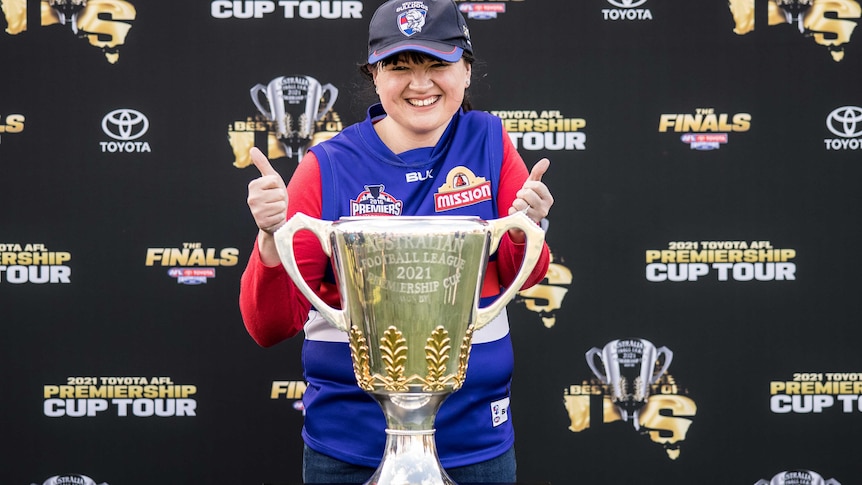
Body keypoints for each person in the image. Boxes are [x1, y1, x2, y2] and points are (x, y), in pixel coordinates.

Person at [240, 0, 554, 482]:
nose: (420, 83)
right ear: (375, 76)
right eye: (400, 66)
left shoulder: (489, 140)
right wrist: (268, 239)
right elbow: (269, 325)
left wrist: (528, 226)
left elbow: (526, 275)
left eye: (437, 64)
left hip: (475, 444)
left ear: (466, 72)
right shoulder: (327, 166)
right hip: (350, 449)